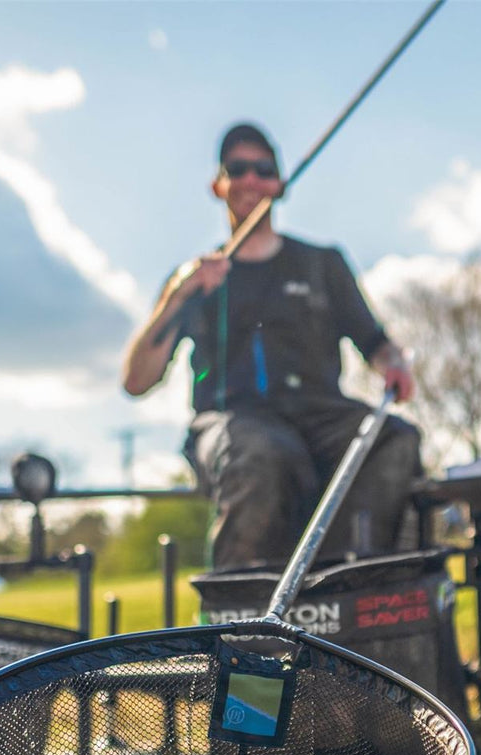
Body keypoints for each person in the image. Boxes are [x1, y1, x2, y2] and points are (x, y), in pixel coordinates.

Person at [121, 122, 421, 571]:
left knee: (394, 438)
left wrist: (394, 364)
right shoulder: (193, 280)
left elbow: (375, 343)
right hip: (232, 423)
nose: (250, 180)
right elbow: (137, 380)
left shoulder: (323, 264)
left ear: (280, 185)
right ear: (217, 185)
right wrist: (178, 295)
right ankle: (236, 626)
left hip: (321, 415)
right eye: (237, 169)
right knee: (262, 455)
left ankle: (339, 589)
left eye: (263, 170)